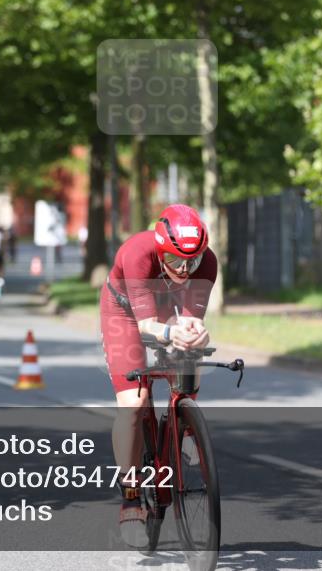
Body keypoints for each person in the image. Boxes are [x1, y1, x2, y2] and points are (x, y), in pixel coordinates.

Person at [99, 204, 217, 547]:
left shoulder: (207, 262)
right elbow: (147, 326)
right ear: (161, 248)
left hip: (165, 308)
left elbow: (192, 317)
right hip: (125, 313)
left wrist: (195, 331)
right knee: (134, 402)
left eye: (192, 261)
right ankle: (131, 498)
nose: (185, 268)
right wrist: (170, 333)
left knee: (191, 351)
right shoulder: (137, 253)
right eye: (177, 260)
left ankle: (182, 431)